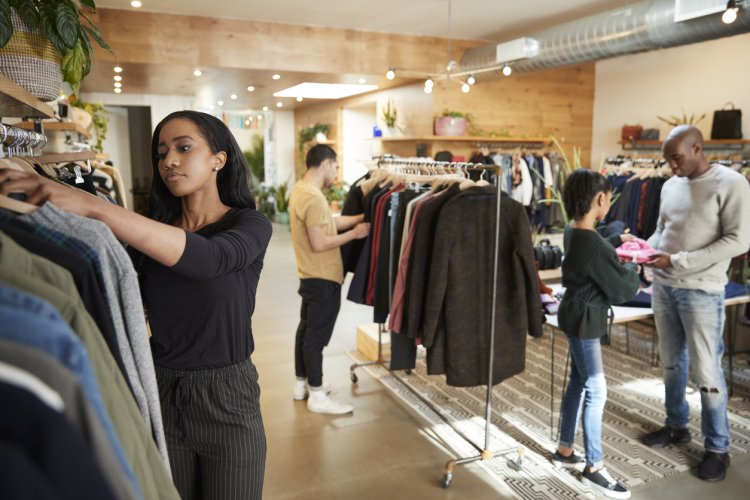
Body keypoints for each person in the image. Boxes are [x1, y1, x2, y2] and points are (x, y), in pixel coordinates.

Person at [0, 110, 272, 499]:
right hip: (159, 388)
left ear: (219, 158)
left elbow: (209, 259)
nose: (169, 161)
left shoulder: (248, 225)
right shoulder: (148, 232)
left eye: (183, 147)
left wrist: (93, 206)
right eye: (161, 153)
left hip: (227, 397)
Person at [642, 125, 750, 482]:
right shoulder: (671, 185)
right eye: (667, 160)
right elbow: (662, 229)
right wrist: (643, 249)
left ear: (698, 148)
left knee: (707, 371)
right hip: (664, 287)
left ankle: (717, 447)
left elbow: (738, 240)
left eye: (677, 158)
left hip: (702, 291)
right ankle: (676, 426)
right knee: (671, 364)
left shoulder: (732, 183)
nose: (671, 166)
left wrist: (678, 260)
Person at [552, 169, 639, 499]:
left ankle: (564, 449)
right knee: (596, 389)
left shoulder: (573, 231)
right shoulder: (590, 242)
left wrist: (616, 241)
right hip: (586, 320)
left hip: (573, 313)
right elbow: (621, 289)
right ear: (601, 199)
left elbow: (595, 247)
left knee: (578, 381)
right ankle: (594, 466)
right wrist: (634, 265)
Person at [288, 144, 369, 414]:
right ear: (325, 164)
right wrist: (355, 234)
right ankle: (318, 395)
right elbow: (320, 241)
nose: (336, 172)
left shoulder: (302, 191)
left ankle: (303, 385)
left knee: (305, 333)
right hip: (323, 278)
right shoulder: (314, 198)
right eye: (336, 166)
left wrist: (358, 218)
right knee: (316, 339)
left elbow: (326, 222)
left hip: (310, 276)